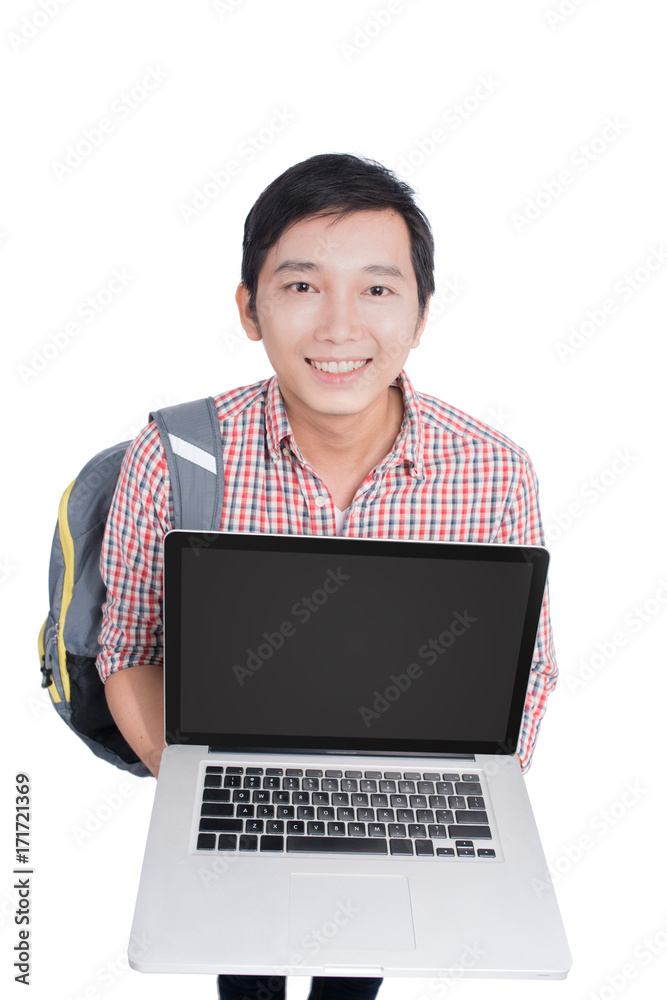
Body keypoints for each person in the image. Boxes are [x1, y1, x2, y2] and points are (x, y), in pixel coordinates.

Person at [97, 152, 558, 1000]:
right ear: (249, 308)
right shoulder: (175, 457)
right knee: (247, 974)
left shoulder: (492, 470)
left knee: (358, 970)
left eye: (378, 289)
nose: (340, 327)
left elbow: (529, 670)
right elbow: (123, 644)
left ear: (419, 314)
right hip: (235, 780)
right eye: (302, 285)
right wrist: (200, 787)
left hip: (408, 787)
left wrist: (455, 799)